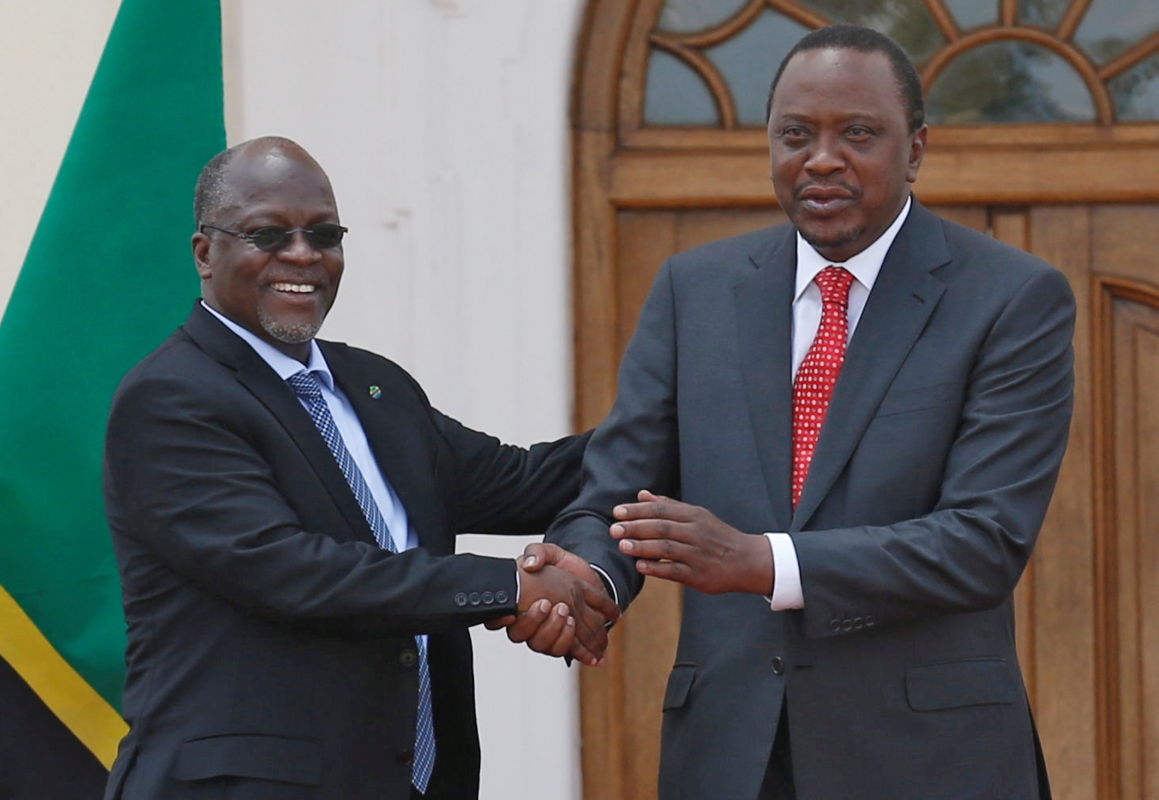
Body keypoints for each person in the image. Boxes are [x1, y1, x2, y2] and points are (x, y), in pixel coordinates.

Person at [517, 24, 1075, 800]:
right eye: (795, 134)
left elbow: (983, 541)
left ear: (915, 149)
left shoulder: (1011, 298)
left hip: (929, 759)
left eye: (857, 134)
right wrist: (585, 580)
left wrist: (762, 561)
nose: (821, 158)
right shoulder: (693, 291)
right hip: (732, 756)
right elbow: (616, 492)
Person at [101, 136, 617, 800]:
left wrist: (673, 424)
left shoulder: (376, 387)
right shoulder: (172, 396)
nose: (302, 255)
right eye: (268, 234)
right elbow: (290, 571)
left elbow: (526, 482)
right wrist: (510, 586)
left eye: (324, 234)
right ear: (205, 253)